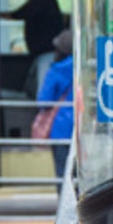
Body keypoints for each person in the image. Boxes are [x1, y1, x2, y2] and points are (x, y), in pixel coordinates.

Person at [37, 28, 76, 177]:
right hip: (82, 129)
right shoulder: (86, 68)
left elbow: (44, 101)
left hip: (60, 129)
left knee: (63, 173)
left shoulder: (55, 71)